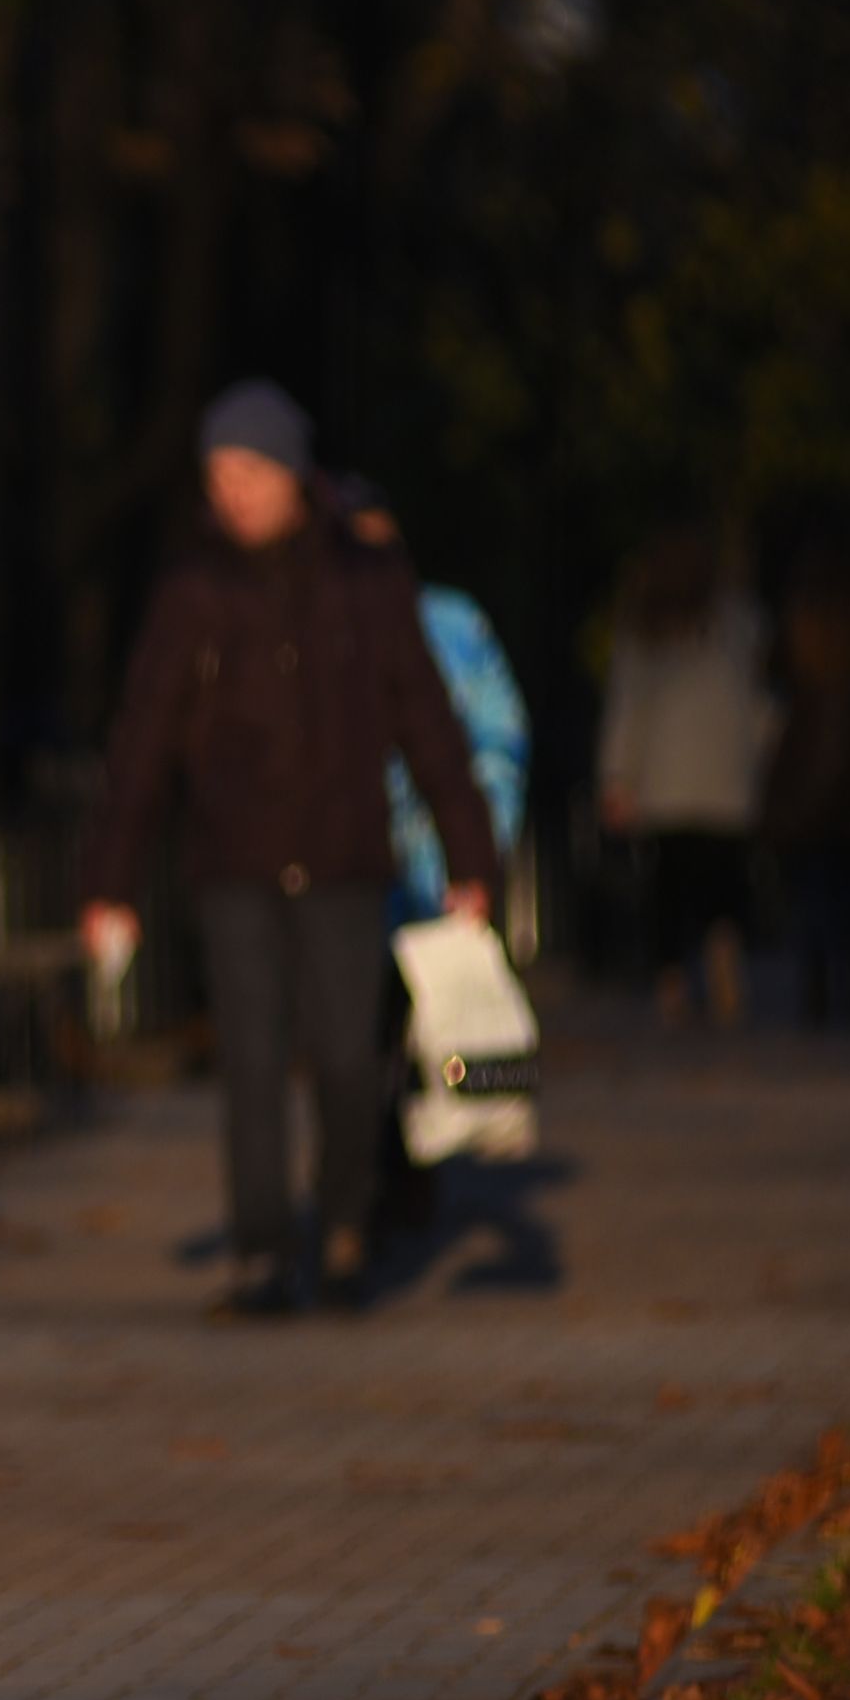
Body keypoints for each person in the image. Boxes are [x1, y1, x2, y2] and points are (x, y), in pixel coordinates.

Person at [76, 385, 499, 1318]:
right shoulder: (194, 590)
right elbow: (142, 741)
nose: (231, 493)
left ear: (291, 477)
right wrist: (110, 882)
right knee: (253, 1066)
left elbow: (427, 721)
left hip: (346, 862)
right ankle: (262, 1252)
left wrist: (472, 857)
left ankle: (345, 1222)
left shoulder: (366, 582)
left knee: (350, 1058)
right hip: (234, 865)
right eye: (217, 475)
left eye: (249, 473)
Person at [333, 479, 523, 1252]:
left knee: (430, 1027)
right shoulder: (318, 626)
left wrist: (482, 845)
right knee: (361, 1035)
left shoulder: (449, 623)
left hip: (435, 868)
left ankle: (414, 1162)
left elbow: (496, 734)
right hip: (351, 874)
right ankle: (374, 1170)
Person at [595, 525, 772, 1024]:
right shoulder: (739, 620)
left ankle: (672, 981)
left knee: (669, 887)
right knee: (722, 880)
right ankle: (723, 957)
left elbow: (626, 709)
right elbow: (756, 703)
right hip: (725, 777)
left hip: (665, 779)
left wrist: (616, 778)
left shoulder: (645, 625)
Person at [759, 519, 850, 1028]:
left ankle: (816, 991)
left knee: (814, 887)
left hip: (808, 766)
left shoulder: (801, 622)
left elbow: (776, 691)